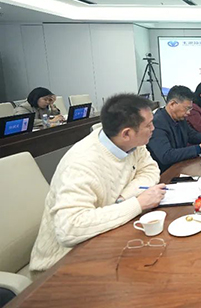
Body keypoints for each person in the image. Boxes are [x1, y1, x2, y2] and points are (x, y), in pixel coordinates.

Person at [30, 94, 165, 273]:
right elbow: (69, 228)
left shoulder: (133, 143)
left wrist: (123, 198)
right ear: (126, 133)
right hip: (63, 263)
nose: (153, 128)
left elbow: (150, 170)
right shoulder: (81, 165)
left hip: (107, 237)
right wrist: (137, 204)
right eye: (148, 125)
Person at [147, 86, 201, 172]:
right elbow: (166, 156)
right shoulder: (157, 123)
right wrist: (199, 149)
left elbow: (192, 135)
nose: (189, 112)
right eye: (187, 108)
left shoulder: (179, 118)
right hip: (166, 172)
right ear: (172, 104)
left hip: (181, 165)